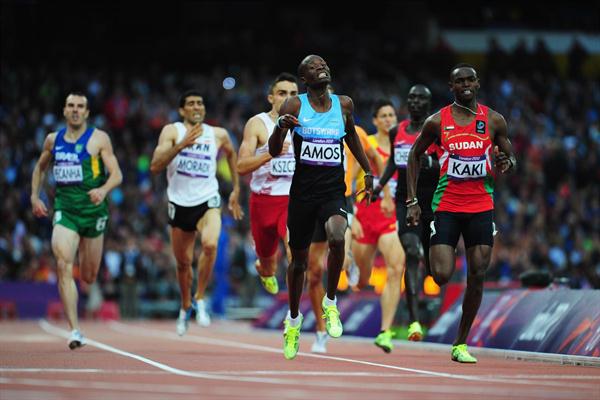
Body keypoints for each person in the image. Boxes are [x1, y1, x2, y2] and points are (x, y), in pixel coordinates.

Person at [406, 64, 516, 363]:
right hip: (447, 206)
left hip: (481, 206)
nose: (465, 84)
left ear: (477, 84)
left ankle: (460, 342)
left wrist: (507, 161)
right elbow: (415, 155)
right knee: (441, 275)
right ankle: (442, 247)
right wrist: (412, 200)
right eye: (459, 81)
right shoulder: (436, 122)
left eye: (470, 80)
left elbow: (509, 154)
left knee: (478, 274)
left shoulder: (494, 120)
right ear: (451, 86)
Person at [269, 55, 374, 360]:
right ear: (305, 78)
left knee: (338, 236)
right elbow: (276, 151)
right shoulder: (294, 106)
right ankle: (293, 321)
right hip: (302, 196)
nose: (322, 68)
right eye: (313, 68)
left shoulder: (344, 105)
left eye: (324, 64)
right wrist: (279, 128)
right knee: (298, 263)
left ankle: (330, 303)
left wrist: (367, 171)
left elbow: (351, 134)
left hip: (332, 192)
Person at [31, 92, 123, 349]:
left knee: (89, 275)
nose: (75, 110)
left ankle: (86, 278)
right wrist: (34, 197)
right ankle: (74, 330)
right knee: (62, 264)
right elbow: (39, 168)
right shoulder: (53, 140)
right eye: (71, 106)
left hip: (94, 213)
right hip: (65, 211)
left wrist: (104, 190)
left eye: (80, 106)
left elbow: (117, 174)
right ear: (64, 111)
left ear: (87, 112)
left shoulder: (98, 139)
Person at [150, 90, 243, 336]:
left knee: (211, 244)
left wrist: (235, 188)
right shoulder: (172, 131)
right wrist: (181, 145)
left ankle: (200, 297)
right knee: (183, 263)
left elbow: (232, 154)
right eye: (190, 103)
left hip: (208, 199)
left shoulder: (218, 134)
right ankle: (185, 306)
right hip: (179, 203)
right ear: (182, 110)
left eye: (200, 103)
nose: (196, 107)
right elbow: (155, 166)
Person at [307, 121, 385, 354]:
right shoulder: (306, 127)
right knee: (313, 274)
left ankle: (347, 256)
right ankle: (321, 331)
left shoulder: (355, 132)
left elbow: (374, 158)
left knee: (339, 257)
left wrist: (382, 190)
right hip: (310, 202)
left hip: (341, 201)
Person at [375, 84, 438, 343]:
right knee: (411, 254)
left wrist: (430, 162)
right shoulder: (396, 131)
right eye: (411, 97)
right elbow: (393, 161)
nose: (414, 102)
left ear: (428, 103)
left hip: (433, 202)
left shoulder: (435, 131)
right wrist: (379, 186)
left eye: (420, 98)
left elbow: (448, 160)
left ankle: (432, 268)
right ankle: (414, 321)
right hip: (406, 200)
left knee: (435, 270)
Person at [350, 100, 406, 353]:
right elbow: (348, 177)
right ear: (374, 121)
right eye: (382, 115)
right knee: (362, 281)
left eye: (391, 115)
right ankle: (355, 268)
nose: (387, 119)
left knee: (396, 267)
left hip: (389, 215)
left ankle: (385, 331)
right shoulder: (366, 143)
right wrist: (353, 215)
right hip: (365, 213)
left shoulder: (403, 146)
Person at [237, 73, 298, 295]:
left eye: (293, 93)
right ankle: (264, 269)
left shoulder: (305, 125)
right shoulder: (257, 124)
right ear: (271, 97)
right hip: (263, 202)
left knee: (295, 251)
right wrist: (269, 154)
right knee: (268, 262)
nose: (288, 98)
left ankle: (295, 309)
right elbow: (241, 166)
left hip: (293, 200)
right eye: (282, 93)